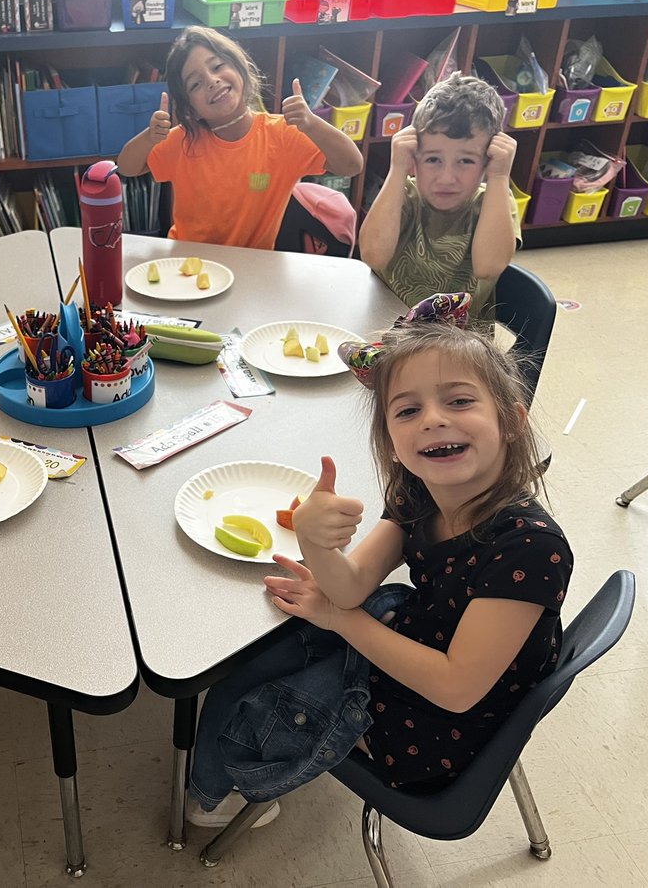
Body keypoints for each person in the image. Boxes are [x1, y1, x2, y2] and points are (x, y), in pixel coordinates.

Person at [186, 293, 571, 828]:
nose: (433, 421)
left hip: (435, 730)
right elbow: (349, 587)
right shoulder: (420, 489)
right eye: (408, 410)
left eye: (459, 402)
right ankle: (212, 786)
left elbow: (455, 689)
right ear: (391, 440)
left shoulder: (529, 547)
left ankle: (214, 800)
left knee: (248, 715)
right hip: (418, 635)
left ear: (511, 422)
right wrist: (318, 543)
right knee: (252, 659)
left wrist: (342, 620)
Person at [117, 26, 363, 251]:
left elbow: (351, 165)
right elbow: (127, 167)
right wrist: (150, 137)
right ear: (190, 108)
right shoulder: (184, 140)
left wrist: (312, 124)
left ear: (241, 67)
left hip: (252, 267)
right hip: (190, 265)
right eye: (195, 84)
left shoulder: (283, 136)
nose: (212, 81)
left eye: (217, 66)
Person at [359, 73, 521, 321]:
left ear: (487, 160)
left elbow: (488, 266)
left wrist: (499, 175)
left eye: (465, 161)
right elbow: (373, 255)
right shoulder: (404, 195)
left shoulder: (493, 204)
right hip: (387, 335)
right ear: (415, 157)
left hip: (458, 347)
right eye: (433, 159)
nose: (447, 178)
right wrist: (398, 167)